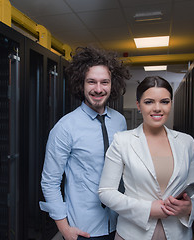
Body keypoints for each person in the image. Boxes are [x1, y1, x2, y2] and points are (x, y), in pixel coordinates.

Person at [39, 46, 131, 240]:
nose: (98, 89)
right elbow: (50, 182)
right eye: (91, 82)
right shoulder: (65, 127)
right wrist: (64, 229)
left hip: (120, 224)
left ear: (112, 84)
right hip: (83, 230)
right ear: (81, 84)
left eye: (104, 82)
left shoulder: (120, 121)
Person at [98, 76, 194, 240]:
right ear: (138, 105)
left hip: (178, 233)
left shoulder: (186, 142)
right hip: (133, 233)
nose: (157, 108)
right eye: (149, 102)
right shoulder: (122, 141)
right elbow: (106, 192)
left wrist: (190, 207)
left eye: (164, 101)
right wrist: (147, 209)